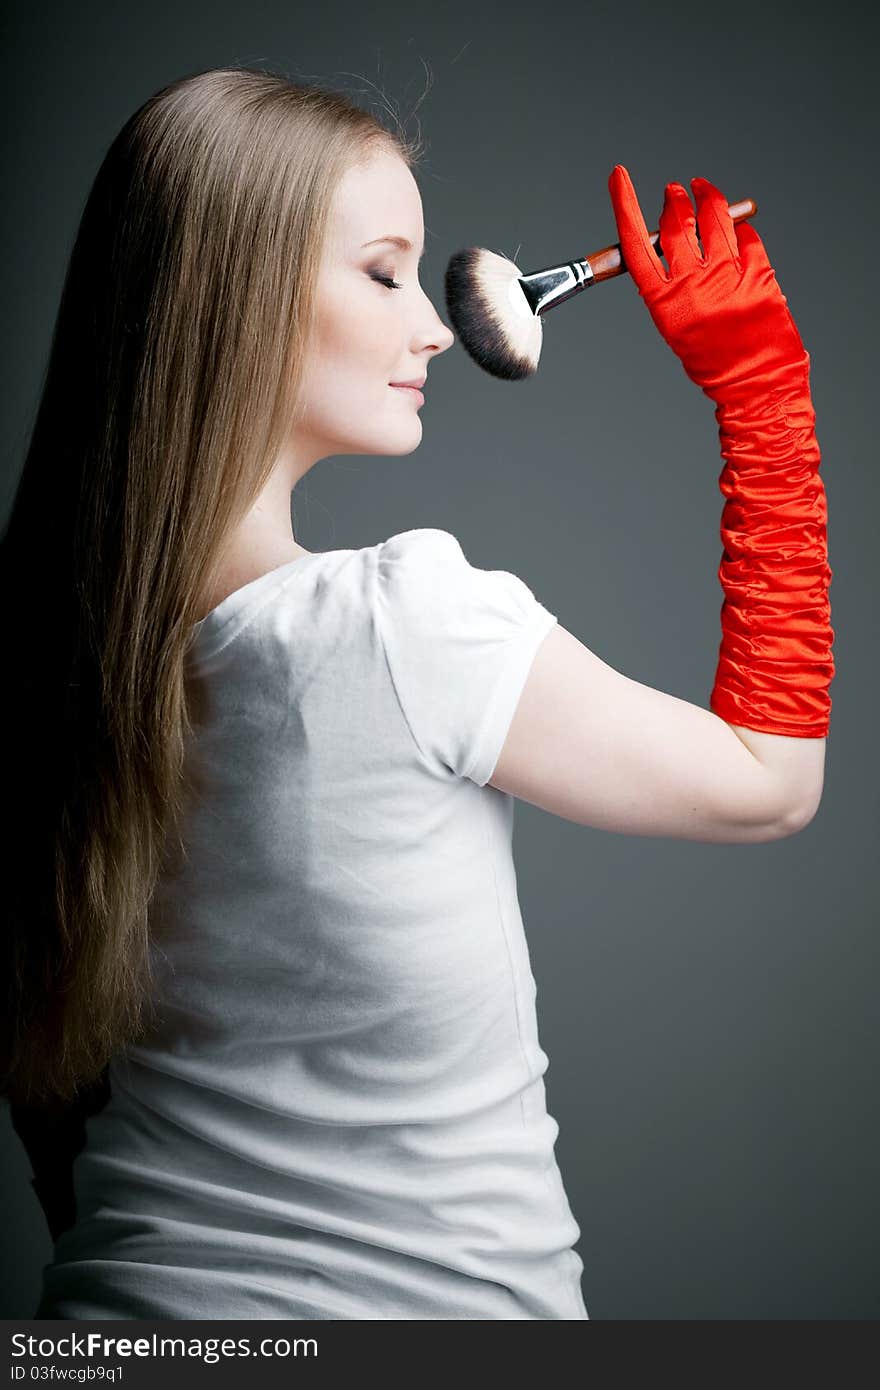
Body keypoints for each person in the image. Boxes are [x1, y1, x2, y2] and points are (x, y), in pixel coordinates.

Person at [2, 67, 832, 1321]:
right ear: (238, 295)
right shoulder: (403, 624)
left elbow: (47, 1110)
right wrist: (764, 398)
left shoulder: (41, 662)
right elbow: (769, 786)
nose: (435, 325)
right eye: (385, 272)